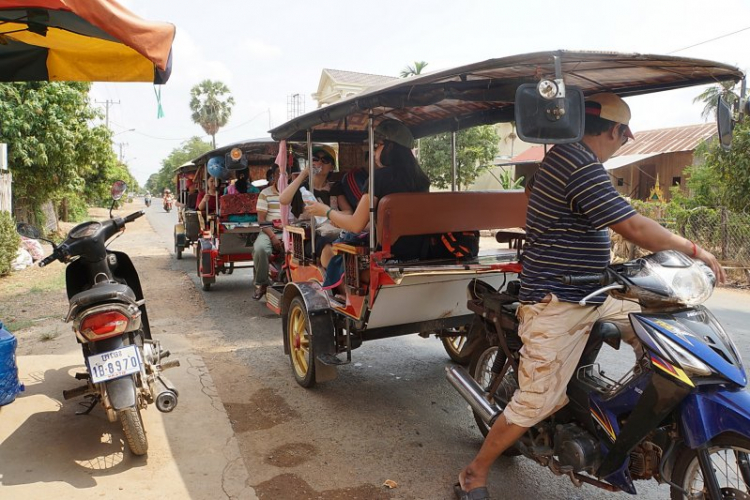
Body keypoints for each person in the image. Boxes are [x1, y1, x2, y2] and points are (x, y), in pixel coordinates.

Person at [454, 93, 725, 500]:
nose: (623, 143)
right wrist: (694, 250)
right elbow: (633, 227)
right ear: (615, 130)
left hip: (596, 292)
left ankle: (632, 421)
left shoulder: (583, 164)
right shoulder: (575, 162)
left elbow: (623, 217)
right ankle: (474, 474)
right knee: (536, 401)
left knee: (665, 335)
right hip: (557, 301)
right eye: (624, 135)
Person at [304, 119, 431, 281]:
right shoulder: (422, 180)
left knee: (337, 259)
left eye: (377, 146)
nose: (374, 151)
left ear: (390, 147)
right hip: (420, 253)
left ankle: (343, 295)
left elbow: (356, 225)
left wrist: (326, 211)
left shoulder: (378, 178)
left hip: (387, 257)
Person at [279, 145, 354, 260]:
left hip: (333, 232)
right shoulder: (301, 188)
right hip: (308, 238)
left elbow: (348, 212)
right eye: (315, 159)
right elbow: (283, 199)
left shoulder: (334, 188)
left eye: (325, 160)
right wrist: (304, 174)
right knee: (326, 244)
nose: (319, 163)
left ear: (331, 167)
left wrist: (335, 217)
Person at [252, 164, 285, 300]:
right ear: (274, 176)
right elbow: (261, 220)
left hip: (292, 231)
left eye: (285, 174)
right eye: (279, 174)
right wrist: (272, 237)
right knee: (260, 249)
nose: (282, 177)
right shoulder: (265, 193)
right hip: (269, 230)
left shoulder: (296, 192)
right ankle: (263, 284)